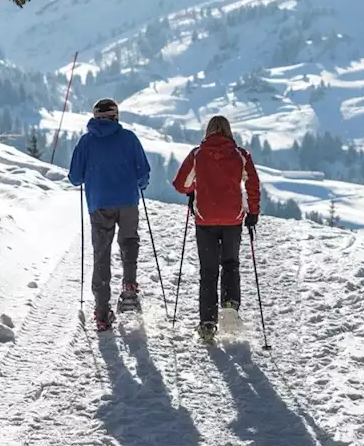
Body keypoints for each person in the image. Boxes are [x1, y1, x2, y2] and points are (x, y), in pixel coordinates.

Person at [172, 115, 260, 341]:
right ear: (229, 131)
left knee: (208, 271)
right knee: (230, 263)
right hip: (232, 218)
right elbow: (252, 184)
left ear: (208, 131)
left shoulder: (197, 154)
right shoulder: (240, 155)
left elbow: (180, 184)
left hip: (205, 219)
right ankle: (230, 305)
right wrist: (253, 212)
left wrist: (194, 188)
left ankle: (208, 323)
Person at [68, 98, 152, 331]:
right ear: (116, 116)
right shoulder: (129, 138)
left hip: (99, 204)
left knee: (101, 253)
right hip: (127, 200)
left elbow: (75, 177)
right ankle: (129, 286)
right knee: (129, 241)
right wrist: (139, 184)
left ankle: (102, 313)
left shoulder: (86, 142)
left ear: (95, 117)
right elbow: (143, 173)